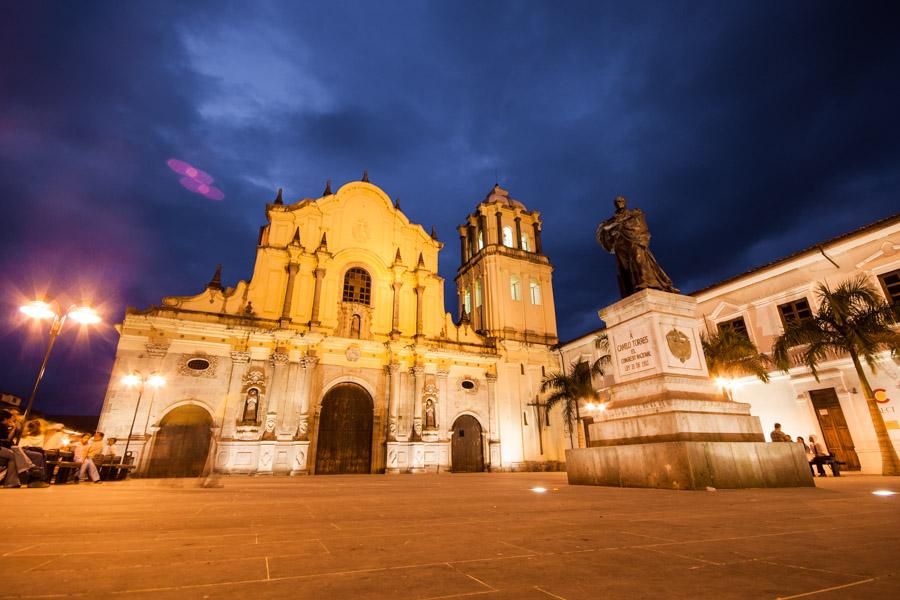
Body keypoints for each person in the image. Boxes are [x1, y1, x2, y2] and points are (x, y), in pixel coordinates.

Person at [596, 196, 679, 298]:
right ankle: (631, 289)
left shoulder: (634, 213)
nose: (619, 203)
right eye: (617, 201)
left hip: (634, 240)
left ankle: (646, 281)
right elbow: (603, 229)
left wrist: (638, 235)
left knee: (638, 258)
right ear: (615, 204)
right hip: (620, 244)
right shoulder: (612, 219)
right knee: (625, 268)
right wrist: (614, 226)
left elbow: (641, 226)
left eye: (621, 201)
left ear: (625, 202)